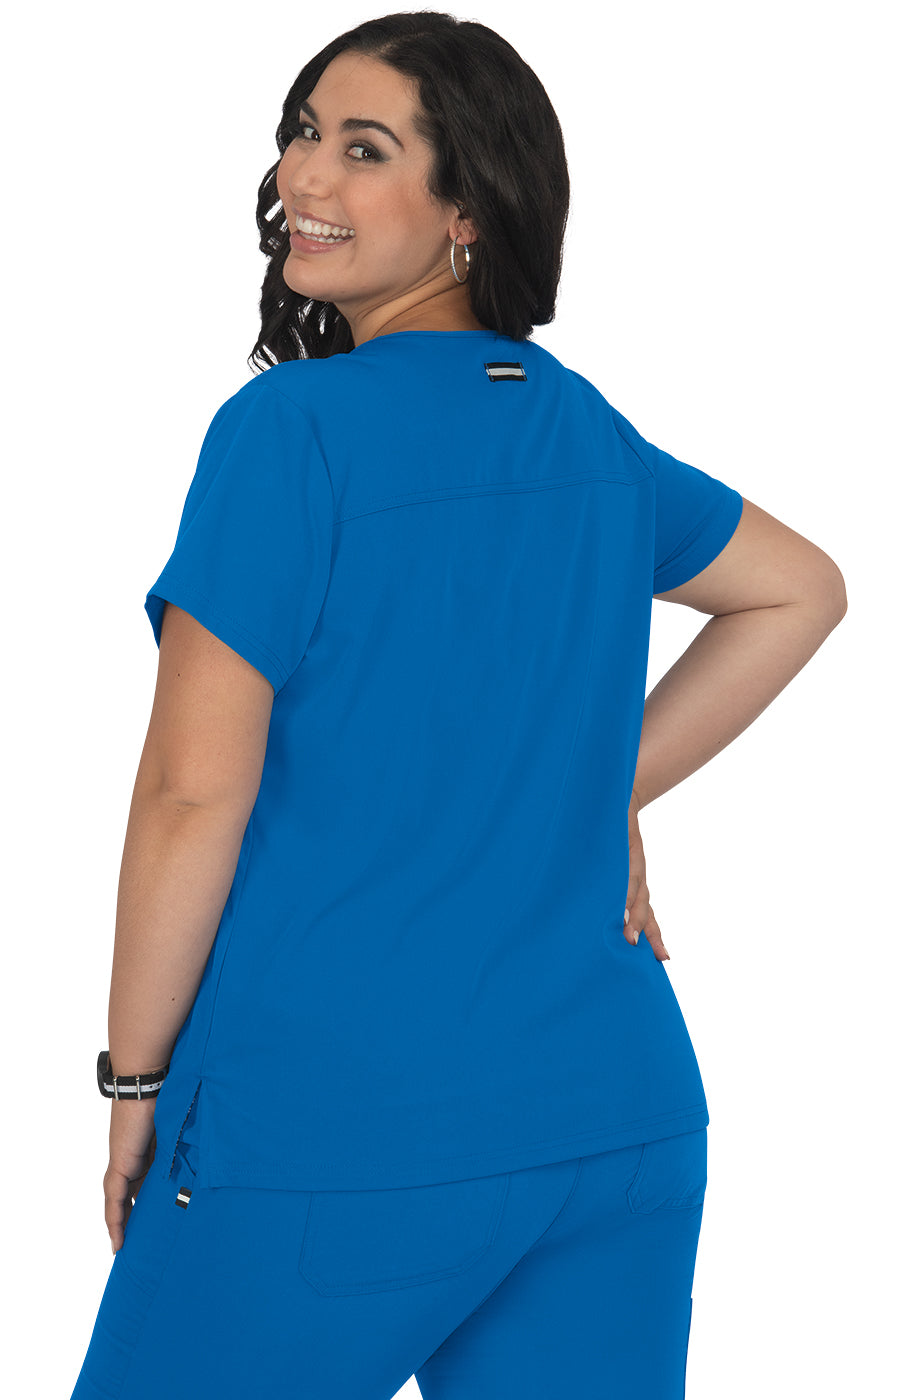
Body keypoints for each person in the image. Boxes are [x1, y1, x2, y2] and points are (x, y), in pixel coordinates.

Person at [69, 11, 847, 1399]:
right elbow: (798, 591)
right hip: (612, 1123)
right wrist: (596, 788)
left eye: (365, 149)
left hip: (330, 1130)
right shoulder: (584, 428)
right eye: (302, 133)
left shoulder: (288, 433)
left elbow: (191, 794)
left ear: (469, 210)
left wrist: (133, 1086)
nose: (307, 176)